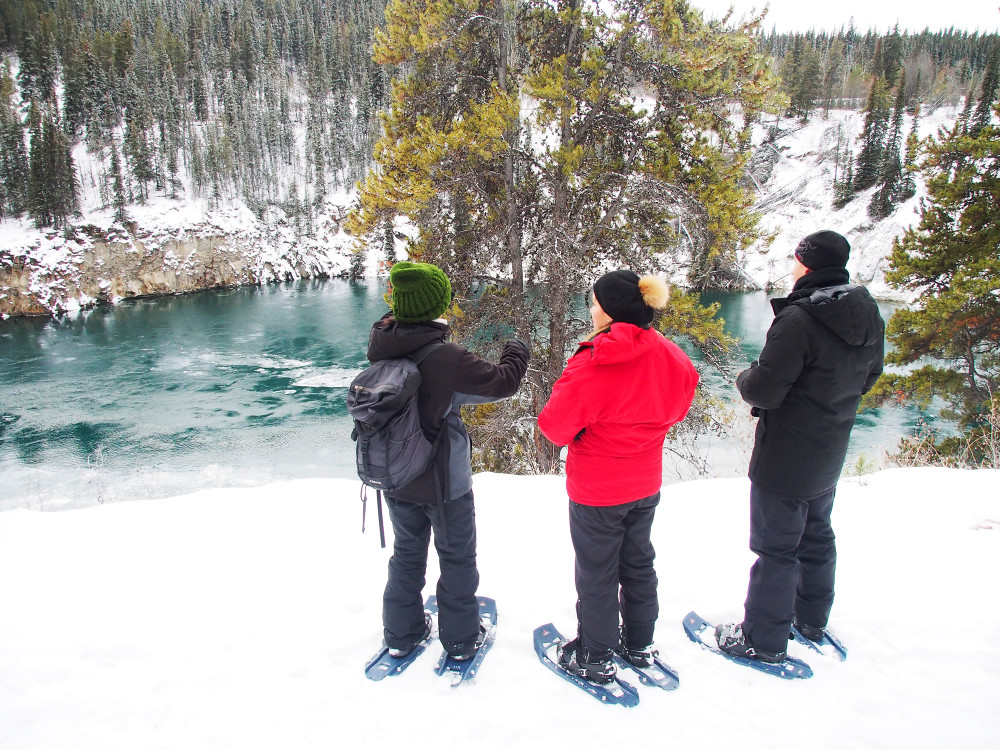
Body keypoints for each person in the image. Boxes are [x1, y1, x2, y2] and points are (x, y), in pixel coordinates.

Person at [715, 230, 885, 663]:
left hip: (786, 452)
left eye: (795, 259)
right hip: (830, 447)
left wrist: (745, 375)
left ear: (805, 263)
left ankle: (762, 639)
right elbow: (869, 377)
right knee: (817, 534)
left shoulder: (800, 319)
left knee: (776, 547)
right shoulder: (866, 310)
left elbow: (764, 390)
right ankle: (810, 618)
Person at [537, 270, 699, 684]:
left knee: (597, 571)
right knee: (639, 562)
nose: (591, 309)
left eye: (594, 302)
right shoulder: (672, 355)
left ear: (608, 311)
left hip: (597, 488)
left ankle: (594, 654)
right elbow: (677, 408)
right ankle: (639, 643)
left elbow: (555, 429)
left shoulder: (595, 360)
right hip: (645, 482)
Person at [368, 261, 530, 660]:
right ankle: (459, 639)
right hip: (445, 482)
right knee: (457, 558)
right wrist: (516, 349)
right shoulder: (446, 358)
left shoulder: (380, 343)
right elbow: (503, 383)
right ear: (436, 304)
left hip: (397, 474)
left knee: (407, 553)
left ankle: (401, 634)